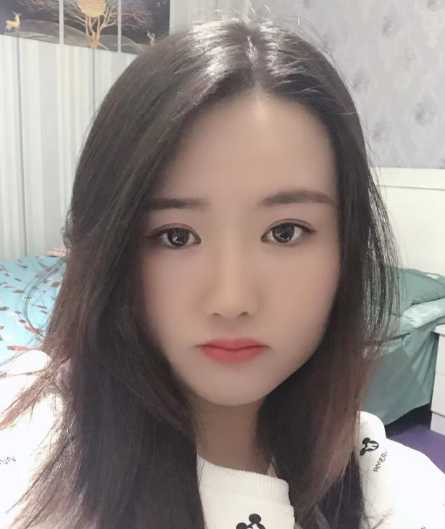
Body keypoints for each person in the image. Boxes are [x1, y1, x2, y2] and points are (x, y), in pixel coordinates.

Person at [0, 16, 444, 529]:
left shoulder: (388, 481)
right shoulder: (31, 442)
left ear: (346, 248)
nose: (232, 300)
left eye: (285, 232)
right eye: (176, 236)